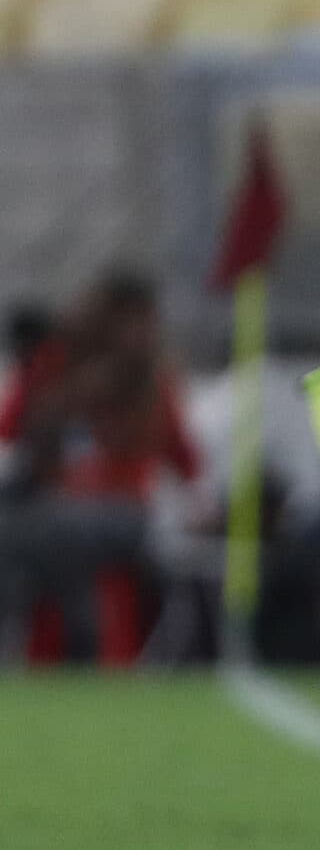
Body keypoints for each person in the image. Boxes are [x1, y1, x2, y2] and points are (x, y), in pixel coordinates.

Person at [0, 271, 200, 666]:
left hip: (119, 514)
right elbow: (12, 432)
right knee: (45, 535)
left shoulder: (151, 385)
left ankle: (86, 651)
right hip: (55, 514)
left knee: (59, 534)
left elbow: (188, 465)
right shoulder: (55, 366)